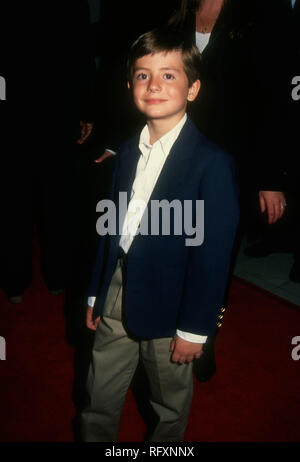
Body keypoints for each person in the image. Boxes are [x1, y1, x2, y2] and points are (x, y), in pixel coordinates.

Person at [80, 27, 239, 442]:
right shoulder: (125, 151)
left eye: (169, 75)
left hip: (174, 307)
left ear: (193, 89)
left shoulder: (212, 163)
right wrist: (97, 291)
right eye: (142, 74)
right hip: (117, 287)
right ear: (130, 84)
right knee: (99, 393)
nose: (153, 85)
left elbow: (212, 257)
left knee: (169, 403)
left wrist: (194, 329)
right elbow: (110, 227)